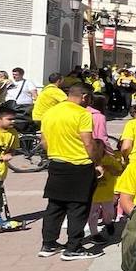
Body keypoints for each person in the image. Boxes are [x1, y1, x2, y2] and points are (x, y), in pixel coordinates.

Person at [38, 80, 103, 260]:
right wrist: (97, 162)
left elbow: (44, 142)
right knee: (78, 207)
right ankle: (74, 247)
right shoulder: (82, 114)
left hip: (56, 164)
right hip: (80, 165)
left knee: (54, 206)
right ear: (84, 97)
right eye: (89, 98)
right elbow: (88, 143)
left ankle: (48, 243)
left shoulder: (50, 112)